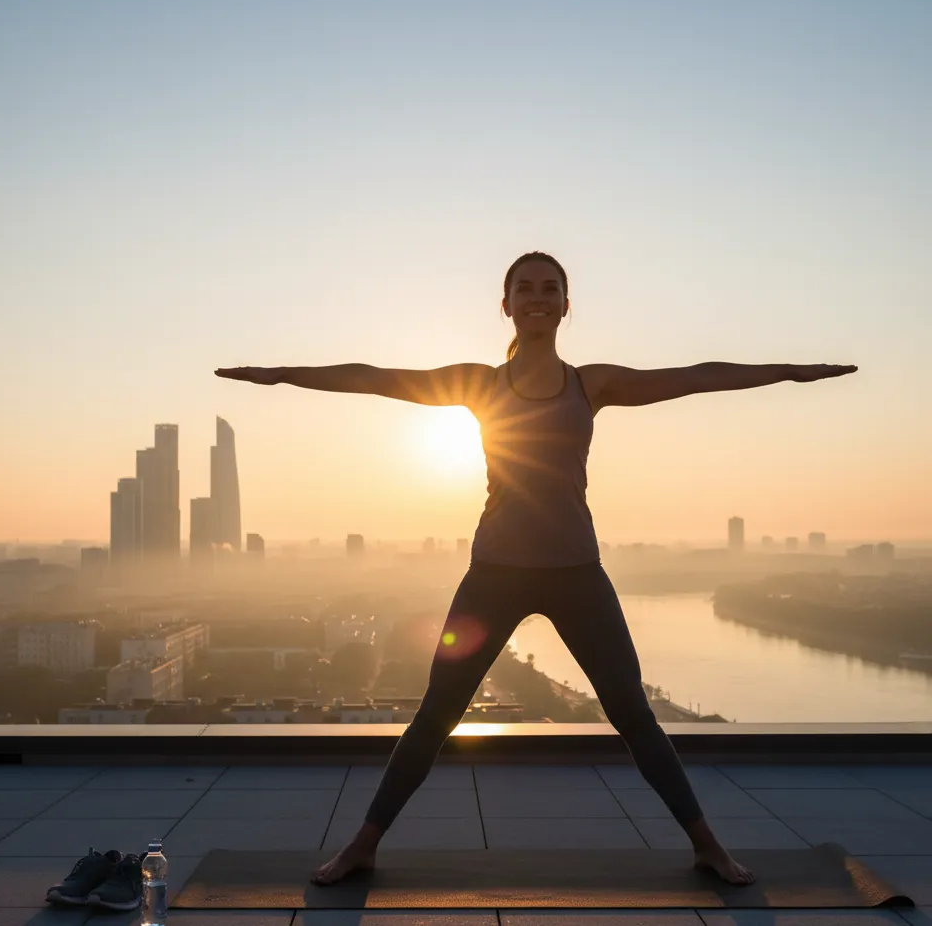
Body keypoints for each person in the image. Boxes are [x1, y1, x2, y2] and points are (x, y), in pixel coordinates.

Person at [215, 250, 857, 887]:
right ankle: (362, 846)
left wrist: (793, 371)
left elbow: (696, 375)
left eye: (550, 288)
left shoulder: (593, 384)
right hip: (494, 573)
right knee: (436, 715)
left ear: (566, 305)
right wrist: (278, 374)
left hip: (577, 572)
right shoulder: (478, 383)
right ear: (507, 305)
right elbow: (374, 376)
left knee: (634, 715)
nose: (538, 297)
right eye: (525, 288)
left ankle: (708, 847)